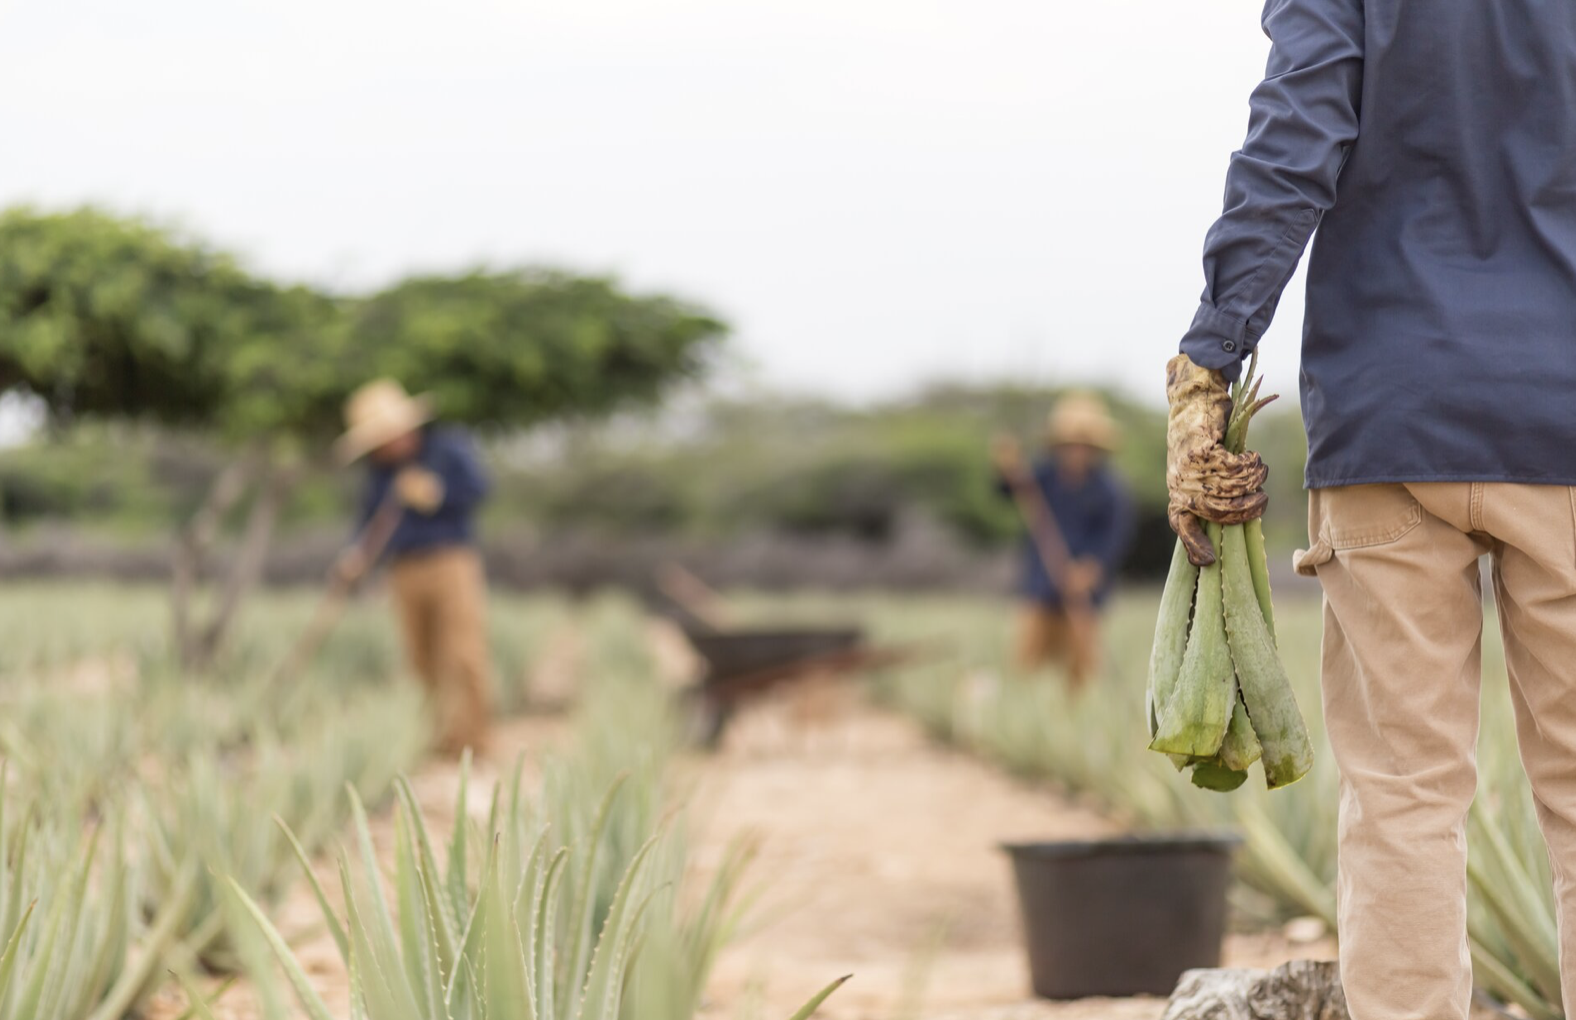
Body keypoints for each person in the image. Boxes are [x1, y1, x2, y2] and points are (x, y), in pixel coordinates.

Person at [1168, 1, 1576, 1017]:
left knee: (1401, 794)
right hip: (1561, 414)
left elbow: (1292, 143)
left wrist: (1210, 357)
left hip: (1392, 413)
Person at [335, 378, 493, 756]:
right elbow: (369, 522)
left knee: (463, 653)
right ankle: (432, 740)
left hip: (450, 560)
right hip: (402, 568)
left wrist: (437, 493)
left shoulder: (447, 449)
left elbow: (480, 490)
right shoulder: (380, 471)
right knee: (418, 658)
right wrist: (357, 555)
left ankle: (473, 742)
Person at [993, 392, 1133, 687]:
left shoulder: (1110, 491)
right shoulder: (1043, 476)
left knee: (1080, 671)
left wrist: (1089, 568)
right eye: (1069, 445)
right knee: (1026, 662)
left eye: (1083, 445)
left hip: (1083, 593)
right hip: (1040, 584)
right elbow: (1010, 490)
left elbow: (1112, 537)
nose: (1076, 452)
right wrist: (1007, 467)